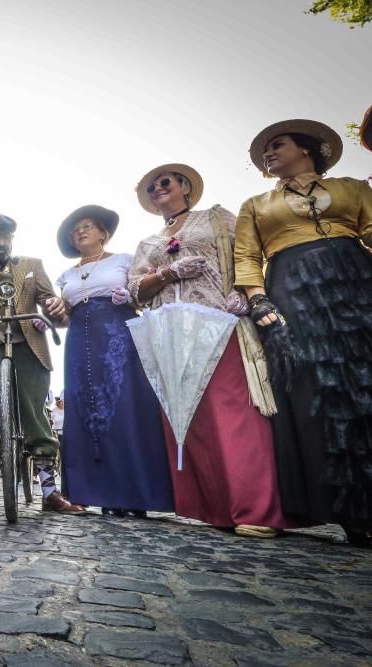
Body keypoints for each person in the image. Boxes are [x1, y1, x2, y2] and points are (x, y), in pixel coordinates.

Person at [128, 163, 287, 538]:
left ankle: (257, 509)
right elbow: (137, 289)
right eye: (151, 187)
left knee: (234, 412)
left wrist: (244, 294)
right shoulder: (148, 244)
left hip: (221, 323)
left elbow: (250, 255)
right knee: (191, 419)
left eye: (163, 182)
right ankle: (215, 508)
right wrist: (167, 273)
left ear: (184, 187)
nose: (157, 189)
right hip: (172, 335)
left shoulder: (216, 218)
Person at [235, 119, 372, 547]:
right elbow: (247, 256)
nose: (268, 154)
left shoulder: (354, 189)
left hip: (355, 280)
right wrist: (258, 301)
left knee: (363, 382)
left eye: (278, 145)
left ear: (307, 149)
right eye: (264, 151)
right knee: (312, 386)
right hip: (291, 285)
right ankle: (340, 508)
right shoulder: (256, 203)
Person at [0, 213, 81, 514]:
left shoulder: (32, 266)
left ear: (13, 238)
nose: (1, 242)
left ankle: (49, 490)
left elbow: (52, 302)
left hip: (27, 345)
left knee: (35, 413)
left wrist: (53, 306)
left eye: (6, 236)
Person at [49, 205, 173, 518]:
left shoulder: (123, 261)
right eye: (75, 230)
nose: (80, 231)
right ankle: (89, 491)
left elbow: (141, 294)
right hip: (79, 340)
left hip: (119, 335)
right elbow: (65, 314)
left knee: (125, 407)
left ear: (103, 233)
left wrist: (129, 297)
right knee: (84, 410)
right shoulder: (67, 276)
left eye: (87, 226)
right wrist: (51, 314)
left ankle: (133, 496)